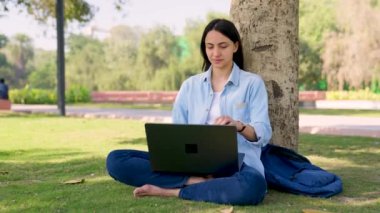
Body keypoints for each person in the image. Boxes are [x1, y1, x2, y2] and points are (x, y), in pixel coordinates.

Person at [106, 18, 272, 205]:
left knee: (253, 186)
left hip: (236, 165)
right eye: (210, 47)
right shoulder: (190, 86)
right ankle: (193, 182)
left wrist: (239, 126)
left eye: (223, 46)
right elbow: (177, 133)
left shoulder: (252, 83)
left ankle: (171, 191)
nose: (215, 53)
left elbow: (263, 133)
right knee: (116, 159)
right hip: (191, 164)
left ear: (235, 46)